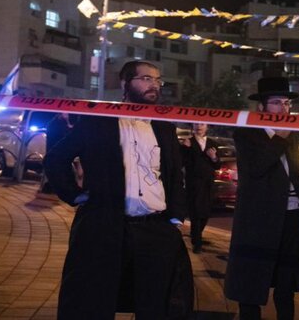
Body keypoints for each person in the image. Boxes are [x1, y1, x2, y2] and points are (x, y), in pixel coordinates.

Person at [44, 60, 192, 319]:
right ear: (126, 84)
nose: (153, 85)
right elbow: (56, 158)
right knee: (94, 300)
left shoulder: (164, 127)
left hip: (155, 230)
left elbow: (174, 174)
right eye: (146, 79)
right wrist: (74, 194)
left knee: (157, 303)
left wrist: (176, 216)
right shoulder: (99, 121)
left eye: (157, 80)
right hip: (106, 227)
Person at [225, 77, 299, 320]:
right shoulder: (247, 134)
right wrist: (279, 136)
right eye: (277, 103)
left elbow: (295, 172)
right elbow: (256, 168)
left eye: (287, 103)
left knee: (286, 284)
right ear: (262, 107)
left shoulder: (291, 136)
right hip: (259, 220)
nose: (284, 109)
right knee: (251, 284)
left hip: (291, 216)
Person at [180, 122, 219, 253]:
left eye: (202, 124)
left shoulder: (212, 143)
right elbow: (182, 162)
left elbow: (217, 165)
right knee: (195, 212)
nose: (199, 126)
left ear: (207, 126)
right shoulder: (188, 142)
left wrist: (213, 157)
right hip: (194, 182)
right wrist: (186, 148)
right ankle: (197, 243)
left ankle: (196, 235)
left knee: (206, 212)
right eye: (196, 124)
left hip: (208, 182)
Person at [39, 113, 74, 194]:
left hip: (53, 151)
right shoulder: (58, 124)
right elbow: (66, 135)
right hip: (59, 152)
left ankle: (52, 187)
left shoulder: (53, 123)